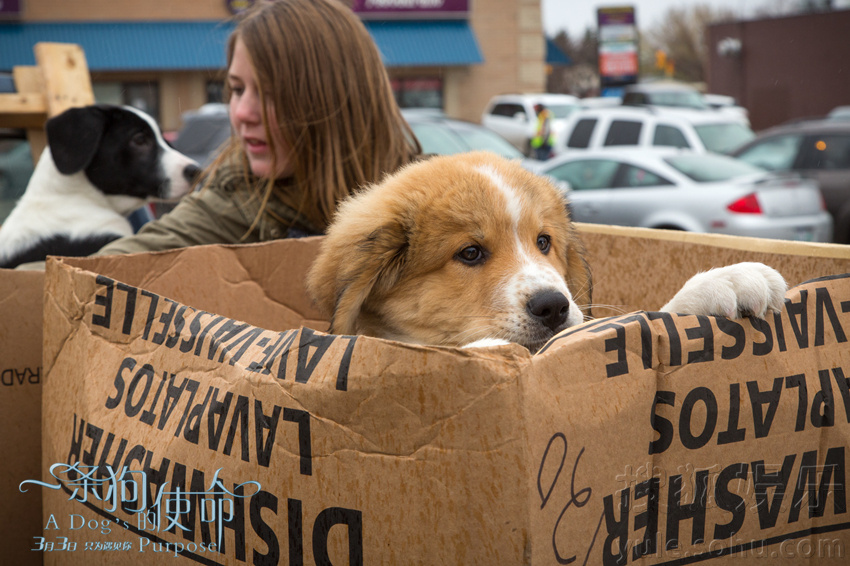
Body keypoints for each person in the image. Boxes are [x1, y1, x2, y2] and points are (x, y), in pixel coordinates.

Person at [97, 0, 421, 256]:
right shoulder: (234, 202)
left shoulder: (430, 204)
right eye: (237, 90)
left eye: (271, 93)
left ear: (333, 101)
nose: (242, 113)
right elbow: (110, 267)